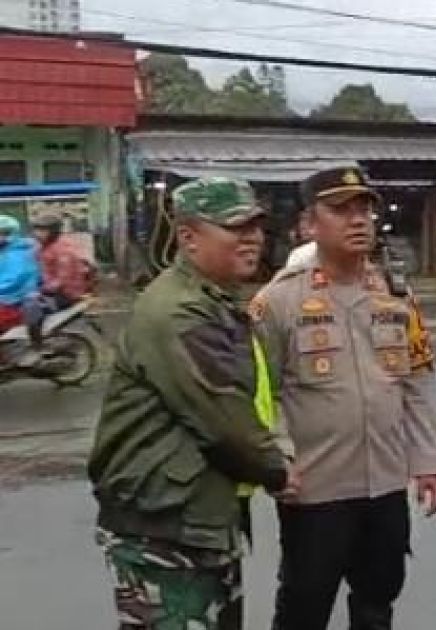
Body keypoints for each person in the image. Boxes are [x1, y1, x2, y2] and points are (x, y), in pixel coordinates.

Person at [88, 177, 297, 630]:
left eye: (257, 228)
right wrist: (278, 472)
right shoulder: (179, 311)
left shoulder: (213, 301)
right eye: (236, 228)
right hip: (164, 528)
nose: (253, 239)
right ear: (188, 237)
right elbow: (222, 419)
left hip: (194, 516)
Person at [251, 166, 436, 630]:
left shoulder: (395, 297)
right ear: (308, 225)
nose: (358, 220)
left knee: (378, 600)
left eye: (364, 208)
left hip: (385, 484)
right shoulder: (276, 303)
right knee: (305, 604)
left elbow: (416, 380)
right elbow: (260, 394)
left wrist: (429, 459)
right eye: (340, 210)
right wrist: (276, 459)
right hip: (315, 487)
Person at [21, 212, 93, 360]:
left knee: (31, 305)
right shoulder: (45, 246)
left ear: (53, 231)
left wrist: (40, 292)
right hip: (53, 290)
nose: (37, 234)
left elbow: (62, 280)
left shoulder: (63, 250)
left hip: (66, 294)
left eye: (42, 230)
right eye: (36, 230)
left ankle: (38, 345)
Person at [0, 214, 39, 334]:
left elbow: (14, 282)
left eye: (3, 233)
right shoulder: (5, 250)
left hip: (15, 300)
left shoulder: (19, 252)